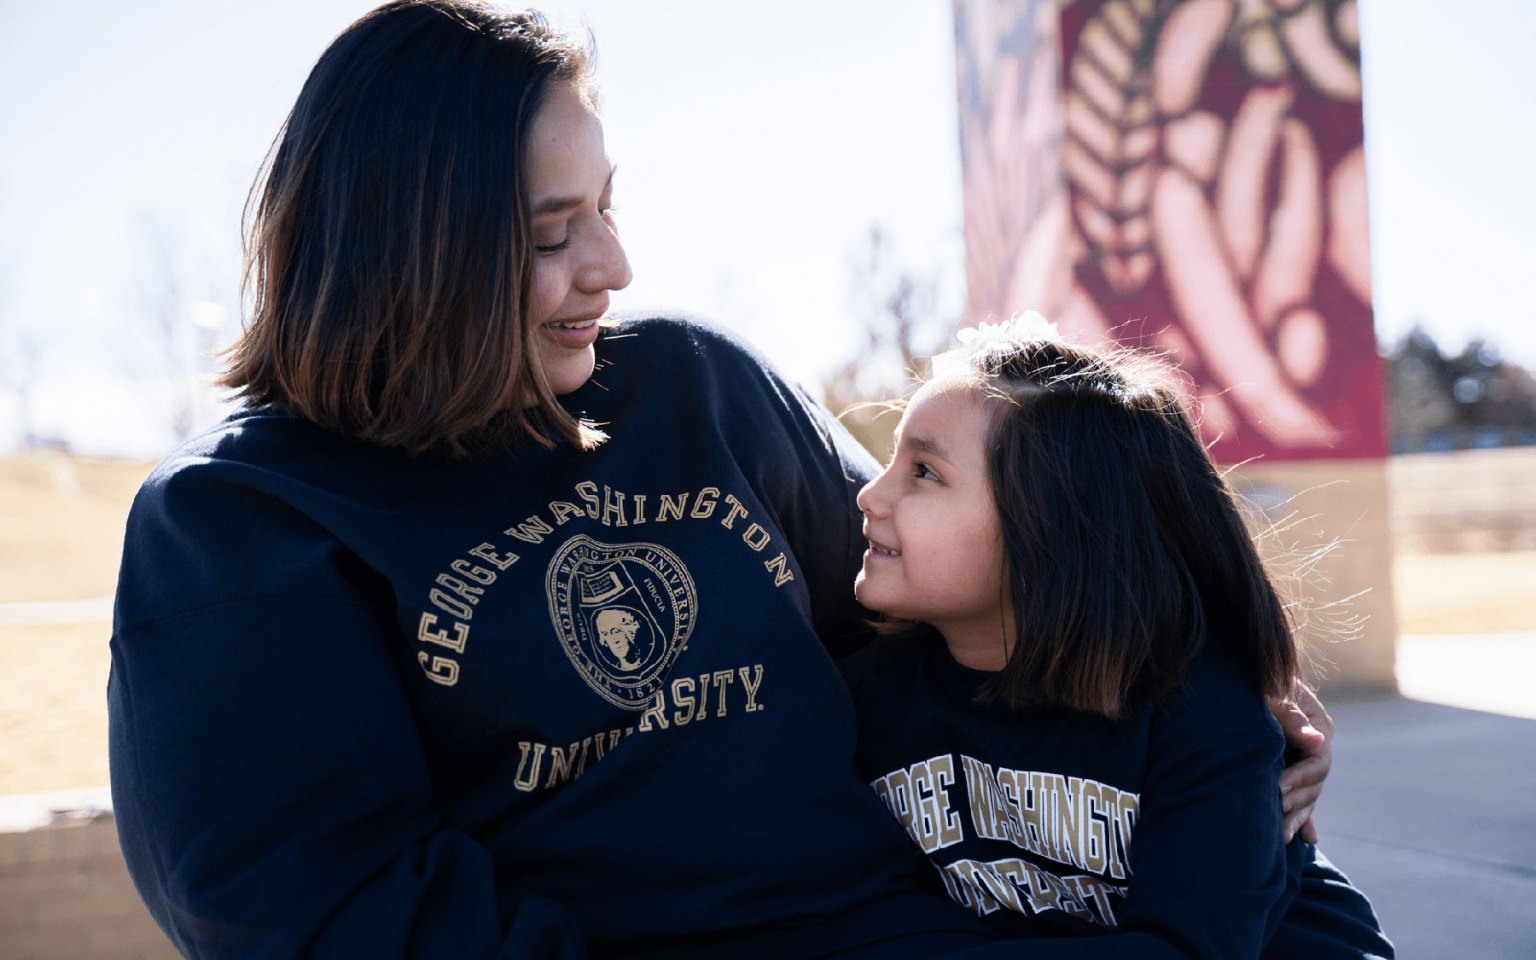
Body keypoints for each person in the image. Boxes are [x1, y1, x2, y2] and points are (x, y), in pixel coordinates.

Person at [107, 3, 1332, 957]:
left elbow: (971, 605)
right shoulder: (239, 528)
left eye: (607, 209)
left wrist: (1207, 725)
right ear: (405, 252)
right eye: (549, 235)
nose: (612, 266)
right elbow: (336, 914)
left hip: (941, 925)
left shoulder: (691, 390)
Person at [841, 316, 1393, 958]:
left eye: (925, 472)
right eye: (891, 460)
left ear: (1049, 531)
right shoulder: (868, 695)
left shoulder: (1199, 708)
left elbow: (1191, 947)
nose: (869, 494)